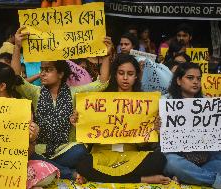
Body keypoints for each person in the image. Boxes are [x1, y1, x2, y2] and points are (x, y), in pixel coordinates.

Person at [10, 26, 112, 182]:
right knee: (26, 154)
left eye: (48, 69)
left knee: (80, 152)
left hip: (66, 149)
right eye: (42, 69)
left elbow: (102, 84)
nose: (42, 73)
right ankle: (68, 173)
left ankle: (48, 168)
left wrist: (106, 55)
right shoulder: (36, 92)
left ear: (60, 74)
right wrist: (17, 47)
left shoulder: (73, 93)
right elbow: (16, 80)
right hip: (40, 149)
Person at [73, 54, 171, 185]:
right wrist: (79, 122)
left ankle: (102, 177)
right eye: (121, 73)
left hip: (131, 155)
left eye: (130, 74)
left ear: (136, 76)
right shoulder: (100, 99)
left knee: (160, 160)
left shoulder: (144, 103)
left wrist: (154, 129)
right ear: (115, 75)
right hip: (103, 154)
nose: (125, 78)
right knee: (82, 163)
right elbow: (88, 136)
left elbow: (143, 144)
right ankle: (141, 179)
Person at [163, 62, 221, 188]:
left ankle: (188, 177)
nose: (195, 82)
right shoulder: (165, 102)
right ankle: (217, 181)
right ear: (178, 80)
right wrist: (158, 128)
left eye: (198, 79)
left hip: (206, 160)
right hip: (178, 158)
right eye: (190, 78)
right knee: (172, 163)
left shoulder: (208, 104)